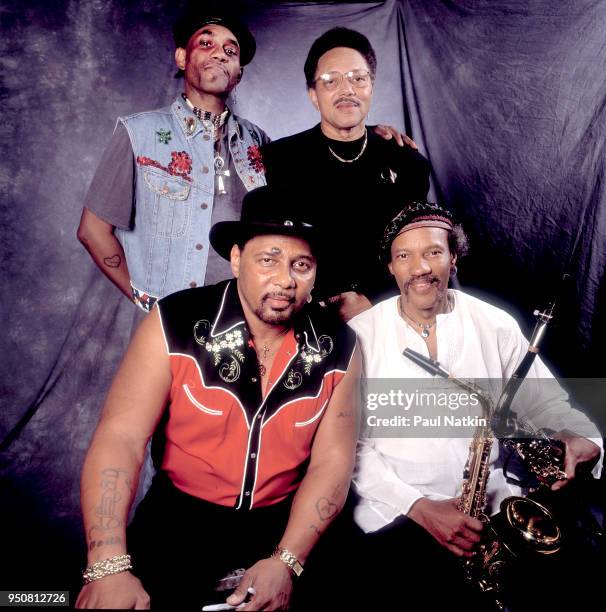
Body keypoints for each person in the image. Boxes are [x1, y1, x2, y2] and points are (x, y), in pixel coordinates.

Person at [75, 185, 360, 611]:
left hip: (286, 521)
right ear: (237, 258)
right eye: (268, 260)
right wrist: (108, 565)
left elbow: (332, 462)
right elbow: (122, 438)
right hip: (179, 522)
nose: (284, 280)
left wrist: (287, 561)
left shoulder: (340, 344)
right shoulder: (174, 321)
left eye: (301, 264)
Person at [348, 201, 603, 608]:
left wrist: (584, 437)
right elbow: (350, 449)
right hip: (396, 516)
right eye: (404, 256)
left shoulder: (495, 323)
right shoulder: (358, 335)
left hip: (498, 511)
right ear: (390, 267)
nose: (420, 268)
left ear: (454, 257)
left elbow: (546, 402)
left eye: (433, 252)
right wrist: (418, 507)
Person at [77, 8, 411, 313]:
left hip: (247, 316)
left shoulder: (260, 143)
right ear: (182, 57)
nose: (219, 53)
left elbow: (315, 168)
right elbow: (93, 231)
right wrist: (144, 297)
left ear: (238, 74)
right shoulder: (139, 133)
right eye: (205, 43)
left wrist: (368, 133)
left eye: (230, 51)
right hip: (171, 318)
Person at [262, 27, 432, 321]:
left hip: (390, 310)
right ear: (313, 94)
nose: (347, 90)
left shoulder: (407, 162)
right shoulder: (280, 160)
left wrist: (371, 299)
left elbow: (420, 250)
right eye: (331, 81)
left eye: (358, 78)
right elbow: (272, 254)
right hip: (305, 315)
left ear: (371, 86)